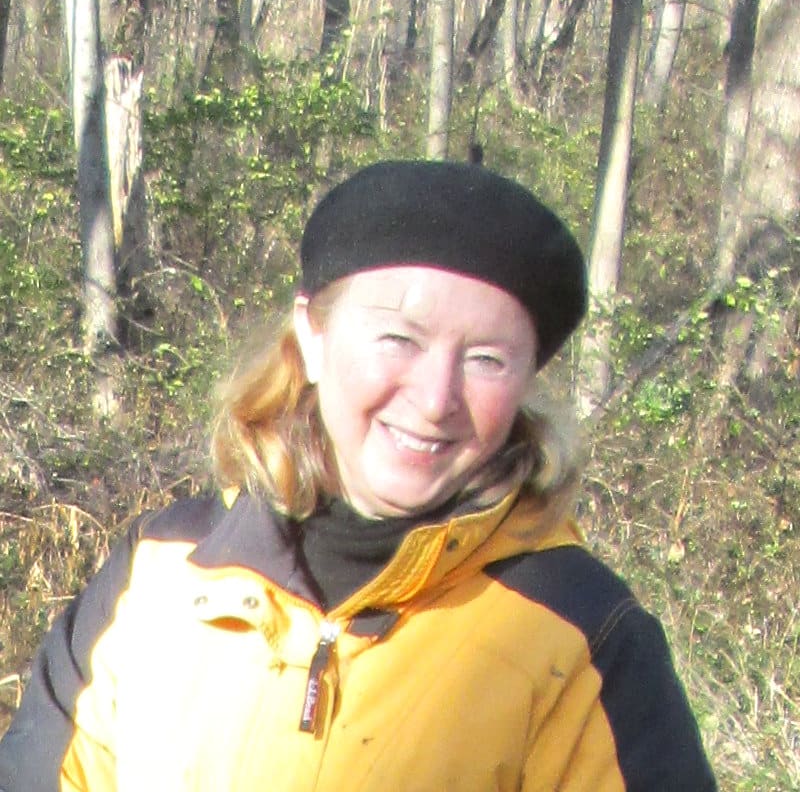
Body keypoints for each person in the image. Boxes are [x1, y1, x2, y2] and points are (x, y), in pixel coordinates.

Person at [0, 160, 717, 791]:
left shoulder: (581, 636)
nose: (436, 399)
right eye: (399, 339)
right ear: (312, 337)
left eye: (488, 359)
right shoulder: (161, 571)